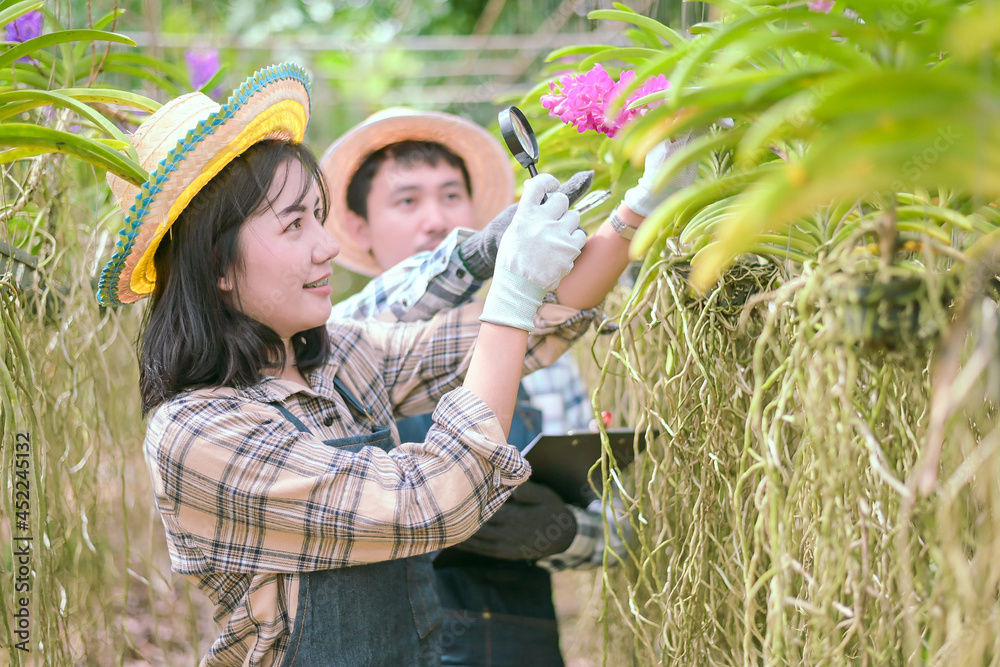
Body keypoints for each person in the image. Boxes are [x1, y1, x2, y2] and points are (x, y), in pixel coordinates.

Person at [94, 64, 665, 667]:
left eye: (319, 215)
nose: (327, 245)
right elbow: (432, 499)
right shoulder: (200, 432)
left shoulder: (338, 359)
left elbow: (535, 331)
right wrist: (512, 294)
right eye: (294, 224)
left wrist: (640, 205)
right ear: (218, 264)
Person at [319, 108, 693, 666]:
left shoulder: (542, 357)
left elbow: (619, 527)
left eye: (450, 196)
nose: (434, 219)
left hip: (520, 643)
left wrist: (564, 532)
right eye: (406, 201)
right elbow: (394, 315)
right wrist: (481, 258)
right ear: (356, 227)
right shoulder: (333, 348)